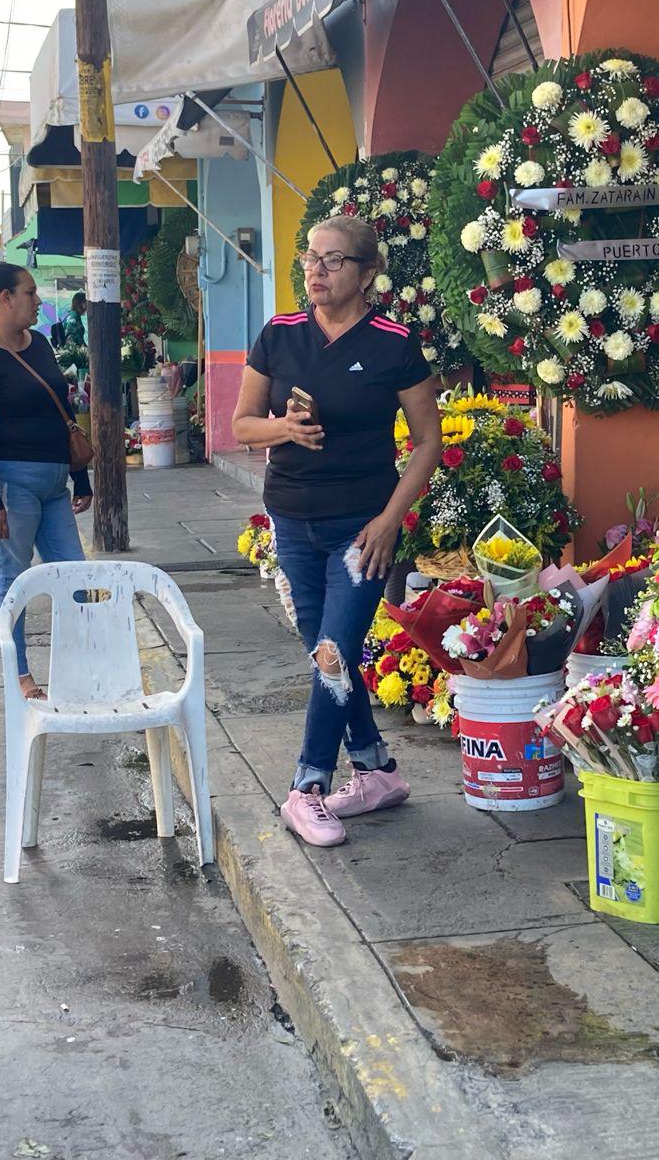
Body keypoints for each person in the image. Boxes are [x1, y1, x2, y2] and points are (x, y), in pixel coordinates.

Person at [232, 215, 440, 847]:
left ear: (367, 273)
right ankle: (375, 770)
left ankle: (308, 785)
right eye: (310, 259)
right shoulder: (281, 335)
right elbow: (241, 424)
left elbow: (428, 443)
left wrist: (389, 519)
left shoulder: (392, 344)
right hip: (292, 521)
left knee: (332, 650)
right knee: (330, 652)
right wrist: (283, 431)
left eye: (333, 261)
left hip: (360, 529)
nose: (316, 272)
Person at [0, 263, 93, 700]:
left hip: (54, 483)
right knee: (13, 580)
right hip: (11, 483)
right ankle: (18, 675)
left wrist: (80, 477)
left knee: (75, 580)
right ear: (5, 299)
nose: (37, 302)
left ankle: (79, 669)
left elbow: (62, 412)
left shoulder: (38, 345)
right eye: (30, 293)